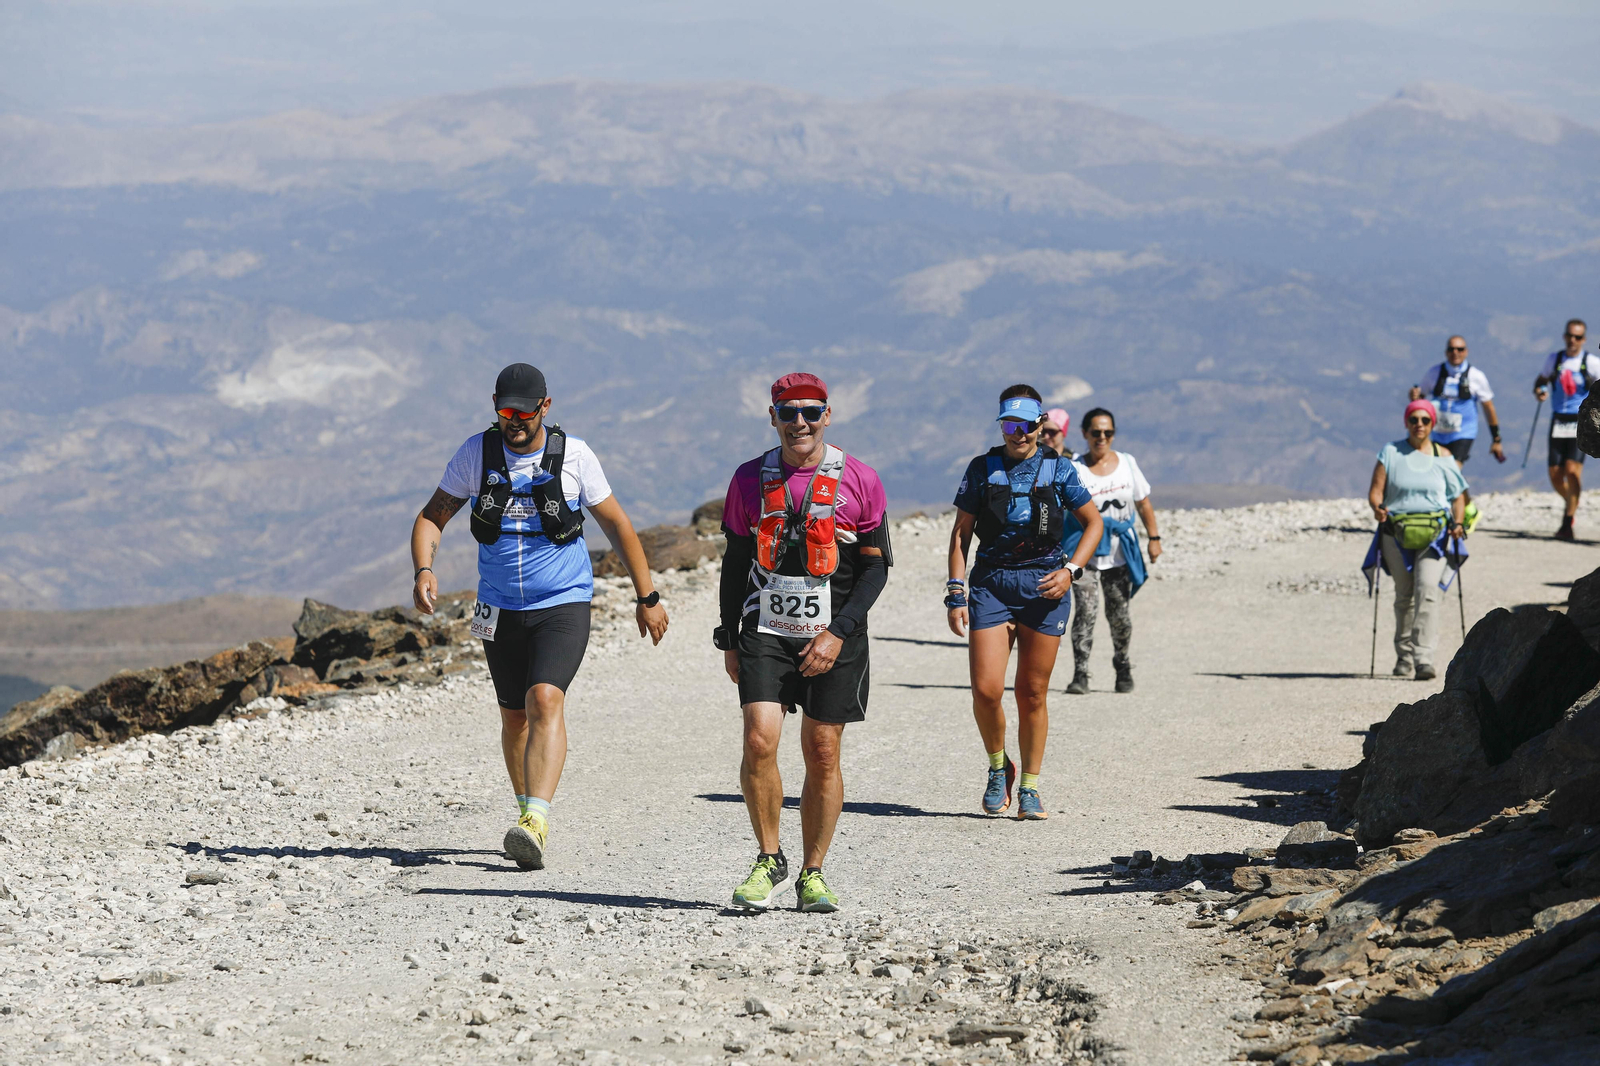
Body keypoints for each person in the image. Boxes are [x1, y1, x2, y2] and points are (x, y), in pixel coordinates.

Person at [409, 363, 669, 872]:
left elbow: (616, 523)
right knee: (513, 715)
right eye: (505, 412)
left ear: (545, 408)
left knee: (544, 698)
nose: (515, 422)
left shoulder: (574, 456)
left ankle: (536, 822)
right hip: (499, 605)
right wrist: (424, 568)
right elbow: (432, 516)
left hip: (563, 601)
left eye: (525, 413)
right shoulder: (476, 454)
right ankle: (528, 813)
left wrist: (649, 595)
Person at [715, 373, 891, 913]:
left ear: (827, 416)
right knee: (759, 740)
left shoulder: (859, 478)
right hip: (765, 625)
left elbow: (877, 568)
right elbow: (736, 560)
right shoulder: (749, 480)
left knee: (822, 749)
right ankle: (769, 857)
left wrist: (839, 633)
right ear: (772, 417)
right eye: (788, 413)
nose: (800, 423)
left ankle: (813, 872)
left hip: (833, 633)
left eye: (811, 412)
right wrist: (727, 635)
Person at [946, 385, 1102, 820]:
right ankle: (1000, 767)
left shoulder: (1061, 469)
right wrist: (955, 591)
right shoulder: (982, 468)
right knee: (986, 689)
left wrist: (1071, 571)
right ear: (1002, 426)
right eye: (1010, 425)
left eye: (1027, 425)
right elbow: (961, 534)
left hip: (1044, 586)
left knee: (1032, 692)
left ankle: (1030, 787)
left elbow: (1093, 524)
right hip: (991, 584)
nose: (1019, 434)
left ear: (1040, 426)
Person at [1366, 399, 1468, 681]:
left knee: (1427, 590)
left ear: (1433, 423)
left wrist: (1458, 523)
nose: (1419, 425)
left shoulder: (1443, 456)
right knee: (1404, 595)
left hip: (1434, 534)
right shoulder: (1391, 452)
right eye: (1414, 420)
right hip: (1395, 532)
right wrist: (1377, 508)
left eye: (1425, 420)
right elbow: (1376, 490)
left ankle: (1423, 658)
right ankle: (1403, 657)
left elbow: (1459, 496)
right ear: (1406, 422)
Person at [1064, 408, 1160, 695]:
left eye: (1107, 433)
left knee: (1119, 615)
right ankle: (1081, 674)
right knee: (1085, 613)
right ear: (1084, 434)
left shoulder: (1128, 464)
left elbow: (1143, 503)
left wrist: (1154, 537)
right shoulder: (1075, 468)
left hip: (1119, 553)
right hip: (1085, 555)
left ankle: (1122, 663)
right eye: (1096, 433)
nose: (1102, 438)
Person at [1407, 335, 1504, 532]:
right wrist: (1414, 397)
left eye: (1460, 349)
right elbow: (1421, 399)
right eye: (1452, 349)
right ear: (1446, 352)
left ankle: (1454, 514)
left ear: (1466, 351)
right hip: (1439, 433)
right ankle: (1468, 507)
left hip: (1464, 433)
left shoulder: (1476, 376)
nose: (1455, 353)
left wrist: (1496, 438)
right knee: (1445, 472)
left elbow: (1488, 407)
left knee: (1451, 470)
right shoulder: (1434, 373)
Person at [1533, 319, 1600, 540]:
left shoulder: (1591, 362)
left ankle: (1567, 522)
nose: (1573, 340)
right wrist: (1540, 390)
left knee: (1572, 471)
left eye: (1578, 337)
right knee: (1555, 474)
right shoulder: (1555, 360)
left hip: (1580, 420)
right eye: (1570, 336)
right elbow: (1541, 380)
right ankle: (1572, 500)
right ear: (1565, 337)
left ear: (1584, 339)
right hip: (1558, 420)